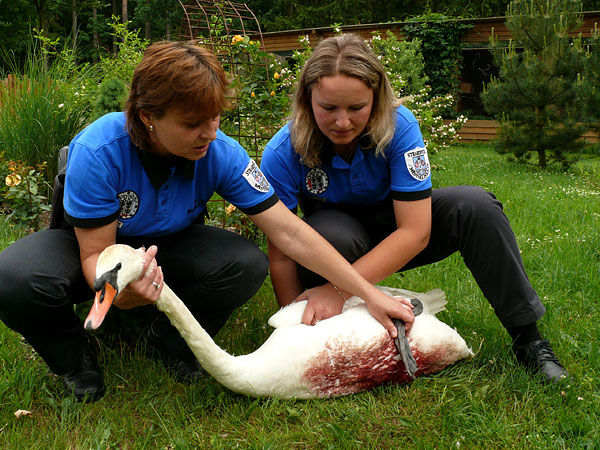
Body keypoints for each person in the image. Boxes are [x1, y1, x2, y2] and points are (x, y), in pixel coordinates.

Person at [0, 41, 416, 402]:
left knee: (244, 261)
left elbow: (288, 230)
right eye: (192, 124)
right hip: (89, 252)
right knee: (13, 277)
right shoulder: (98, 151)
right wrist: (124, 295)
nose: (209, 133)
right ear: (148, 115)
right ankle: (76, 359)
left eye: (215, 118)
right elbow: (95, 255)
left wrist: (364, 292)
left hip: (169, 246)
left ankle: (169, 345)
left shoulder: (220, 152)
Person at [260, 33, 569, 384]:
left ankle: (528, 340)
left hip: (399, 228)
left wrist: (338, 290)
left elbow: (415, 231)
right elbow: (284, 253)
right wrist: (289, 326)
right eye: (328, 108)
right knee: (330, 233)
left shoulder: (399, 126)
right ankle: (330, 330)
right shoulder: (283, 150)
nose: (342, 122)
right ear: (306, 99)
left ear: (376, 100)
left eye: (356, 108)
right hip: (336, 243)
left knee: (476, 206)